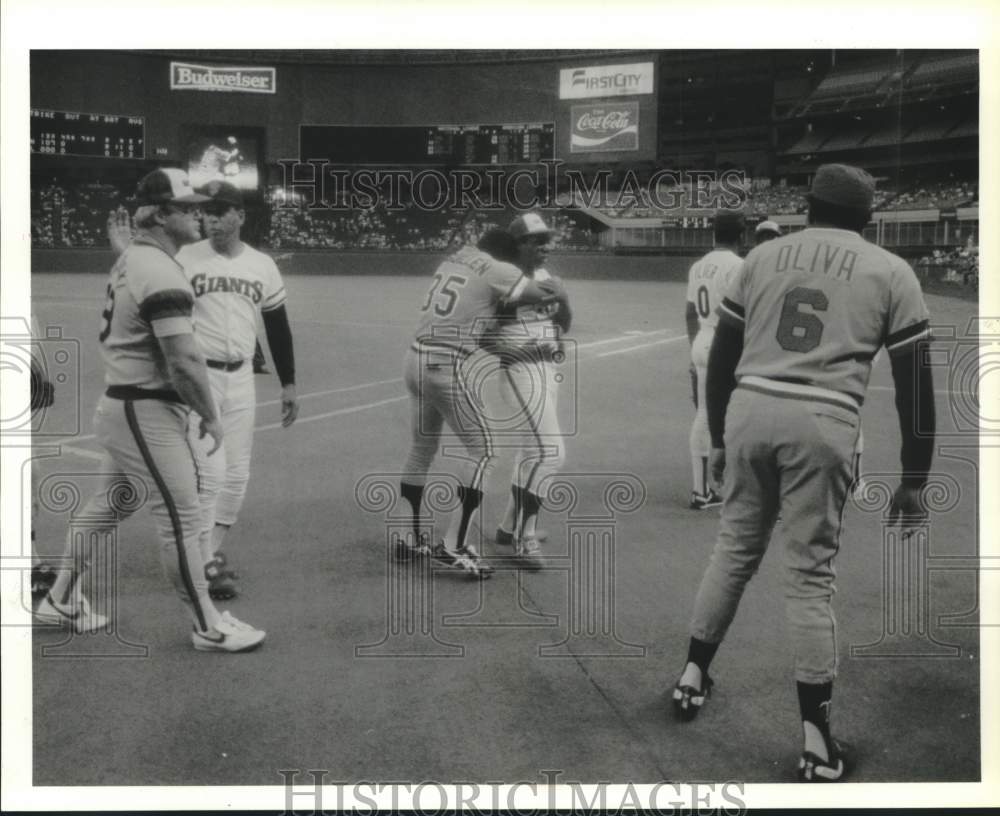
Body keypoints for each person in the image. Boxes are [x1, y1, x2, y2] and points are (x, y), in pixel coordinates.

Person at [670, 164, 935, 782]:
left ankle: (690, 674)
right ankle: (816, 742)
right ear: (867, 217)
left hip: (749, 408)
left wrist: (713, 434)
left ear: (807, 206)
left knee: (732, 551)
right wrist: (915, 479)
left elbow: (723, 357)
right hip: (824, 418)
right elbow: (915, 387)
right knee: (809, 579)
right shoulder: (891, 269)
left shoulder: (760, 257)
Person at [35, 168, 265, 652]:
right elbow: (182, 359)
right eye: (188, 208)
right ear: (163, 215)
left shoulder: (139, 259)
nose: (199, 215)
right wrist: (209, 411)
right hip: (145, 410)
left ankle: (58, 599)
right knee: (181, 518)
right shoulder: (158, 267)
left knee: (110, 506)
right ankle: (208, 625)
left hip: (124, 404)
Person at [109, 180, 298, 600]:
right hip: (199, 376)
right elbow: (145, 283)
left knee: (237, 474)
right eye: (206, 212)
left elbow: (277, 326)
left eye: (220, 211)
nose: (210, 218)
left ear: (240, 216)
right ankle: (203, 565)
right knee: (209, 475)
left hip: (243, 377)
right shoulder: (184, 257)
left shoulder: (262, 265)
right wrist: (124, 252)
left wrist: (288, 383)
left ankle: (208, 552)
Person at [397, 229, 568, 578]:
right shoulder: (499, 270)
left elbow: (486, 327)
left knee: (421, 450)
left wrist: (521, 349)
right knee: (485, 451)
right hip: (444, 365)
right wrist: (558, 287)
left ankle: (407, 537)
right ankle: (453, 545)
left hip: (414, 359)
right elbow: (544, 292)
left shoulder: (457, 256)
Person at [492, 213, 571, 569]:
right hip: (520, 371)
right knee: (551, 452)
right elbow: (486, 335)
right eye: (537, 241)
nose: (545, 247)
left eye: (547, 240)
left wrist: (563, 302)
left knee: (530, 451)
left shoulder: (545, 277)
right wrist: (525, 351)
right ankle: (525, 539)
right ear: (518, 244)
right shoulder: (500, 278)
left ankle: (509, 527)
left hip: (545, 367)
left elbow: (563, 321)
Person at [683, 210, 745, 510]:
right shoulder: (739, 265)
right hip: (728, 344)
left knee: (705, 414)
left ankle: (700, 489)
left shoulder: (698, 266)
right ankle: (736, 486)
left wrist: (693, 348)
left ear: (713, 233)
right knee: (735, 415)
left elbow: (689, 312)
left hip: (702, 339)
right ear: (741, 235)